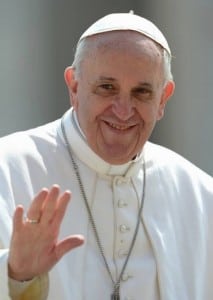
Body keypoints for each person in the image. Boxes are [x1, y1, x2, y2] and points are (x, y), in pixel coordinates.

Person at [0, 11, 213, 300]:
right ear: (74, 87)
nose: (123, 111)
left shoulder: (201, 196)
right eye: (107, 88)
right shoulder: (8, 169)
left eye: (142, 93)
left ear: (163, 99)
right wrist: (15, 274)